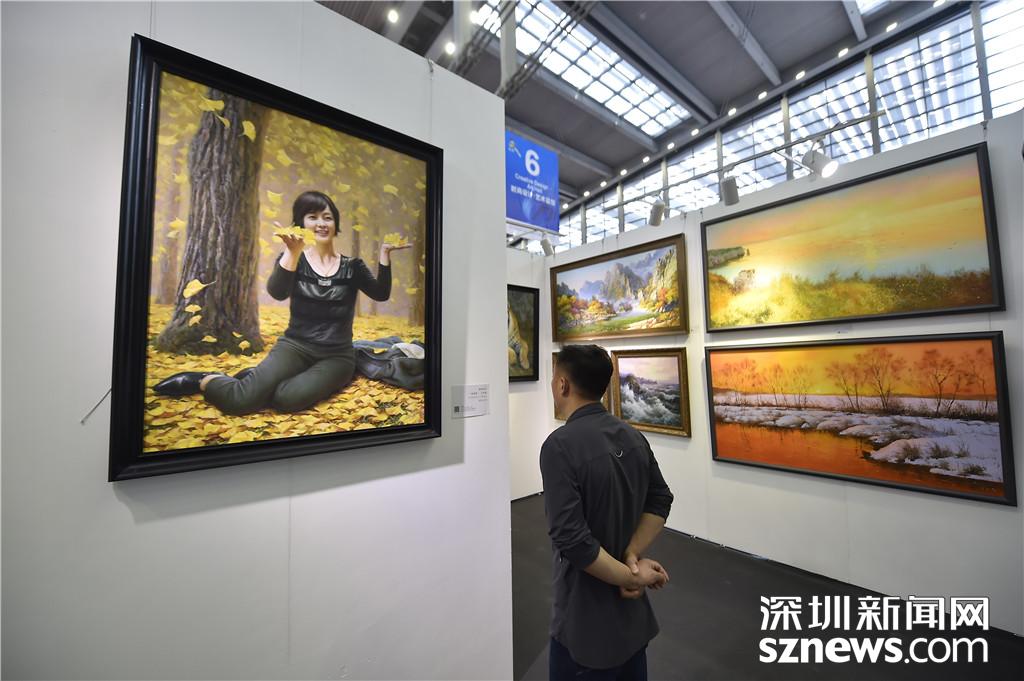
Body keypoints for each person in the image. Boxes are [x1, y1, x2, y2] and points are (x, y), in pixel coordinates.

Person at [154, 190, 410, 414]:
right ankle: (205, 380)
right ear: (301, 224)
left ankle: (256, 381)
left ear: (335, 224)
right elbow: (277, 292)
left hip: (336, 356)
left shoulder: (353, 266)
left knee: (286, 400)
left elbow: (380, 294)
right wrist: (292, 252)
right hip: (295, 346)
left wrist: (384, 255)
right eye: (312, 217)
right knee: (239, 401)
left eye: (327, 217)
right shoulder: (292, 258)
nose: (321, 223)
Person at [542, 344, 674, 681]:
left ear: (562, 385)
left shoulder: (559, 446)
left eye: (554, 378)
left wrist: (632, 576)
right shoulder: (632, 435)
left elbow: (572, 540)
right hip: (631, 622)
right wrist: (632, 555)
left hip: (585, 625)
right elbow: (660, 500)